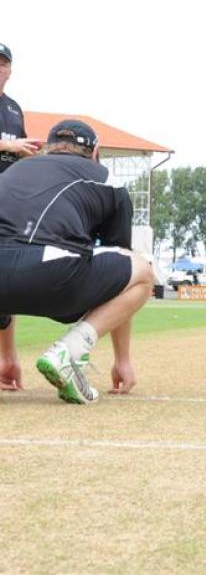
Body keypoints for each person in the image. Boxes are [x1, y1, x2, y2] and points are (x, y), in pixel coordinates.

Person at [0, 119, 154, 403]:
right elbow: (121, 273)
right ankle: (69, 352)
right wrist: (123, 360)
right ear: (95, 152)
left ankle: (12, 359)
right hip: (54, 277)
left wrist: (6, 357)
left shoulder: (12, 171)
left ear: (48, 149)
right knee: (142, 272)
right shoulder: (107, 179)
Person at [0, 43, 42, 391]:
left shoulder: (13, 109)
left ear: (10, 70)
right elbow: (10, 147)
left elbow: (18, 151)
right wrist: (8, 146)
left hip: (8, 202)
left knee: (6, 281)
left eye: (3, 63)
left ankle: (8, 359)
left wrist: (28, 155)